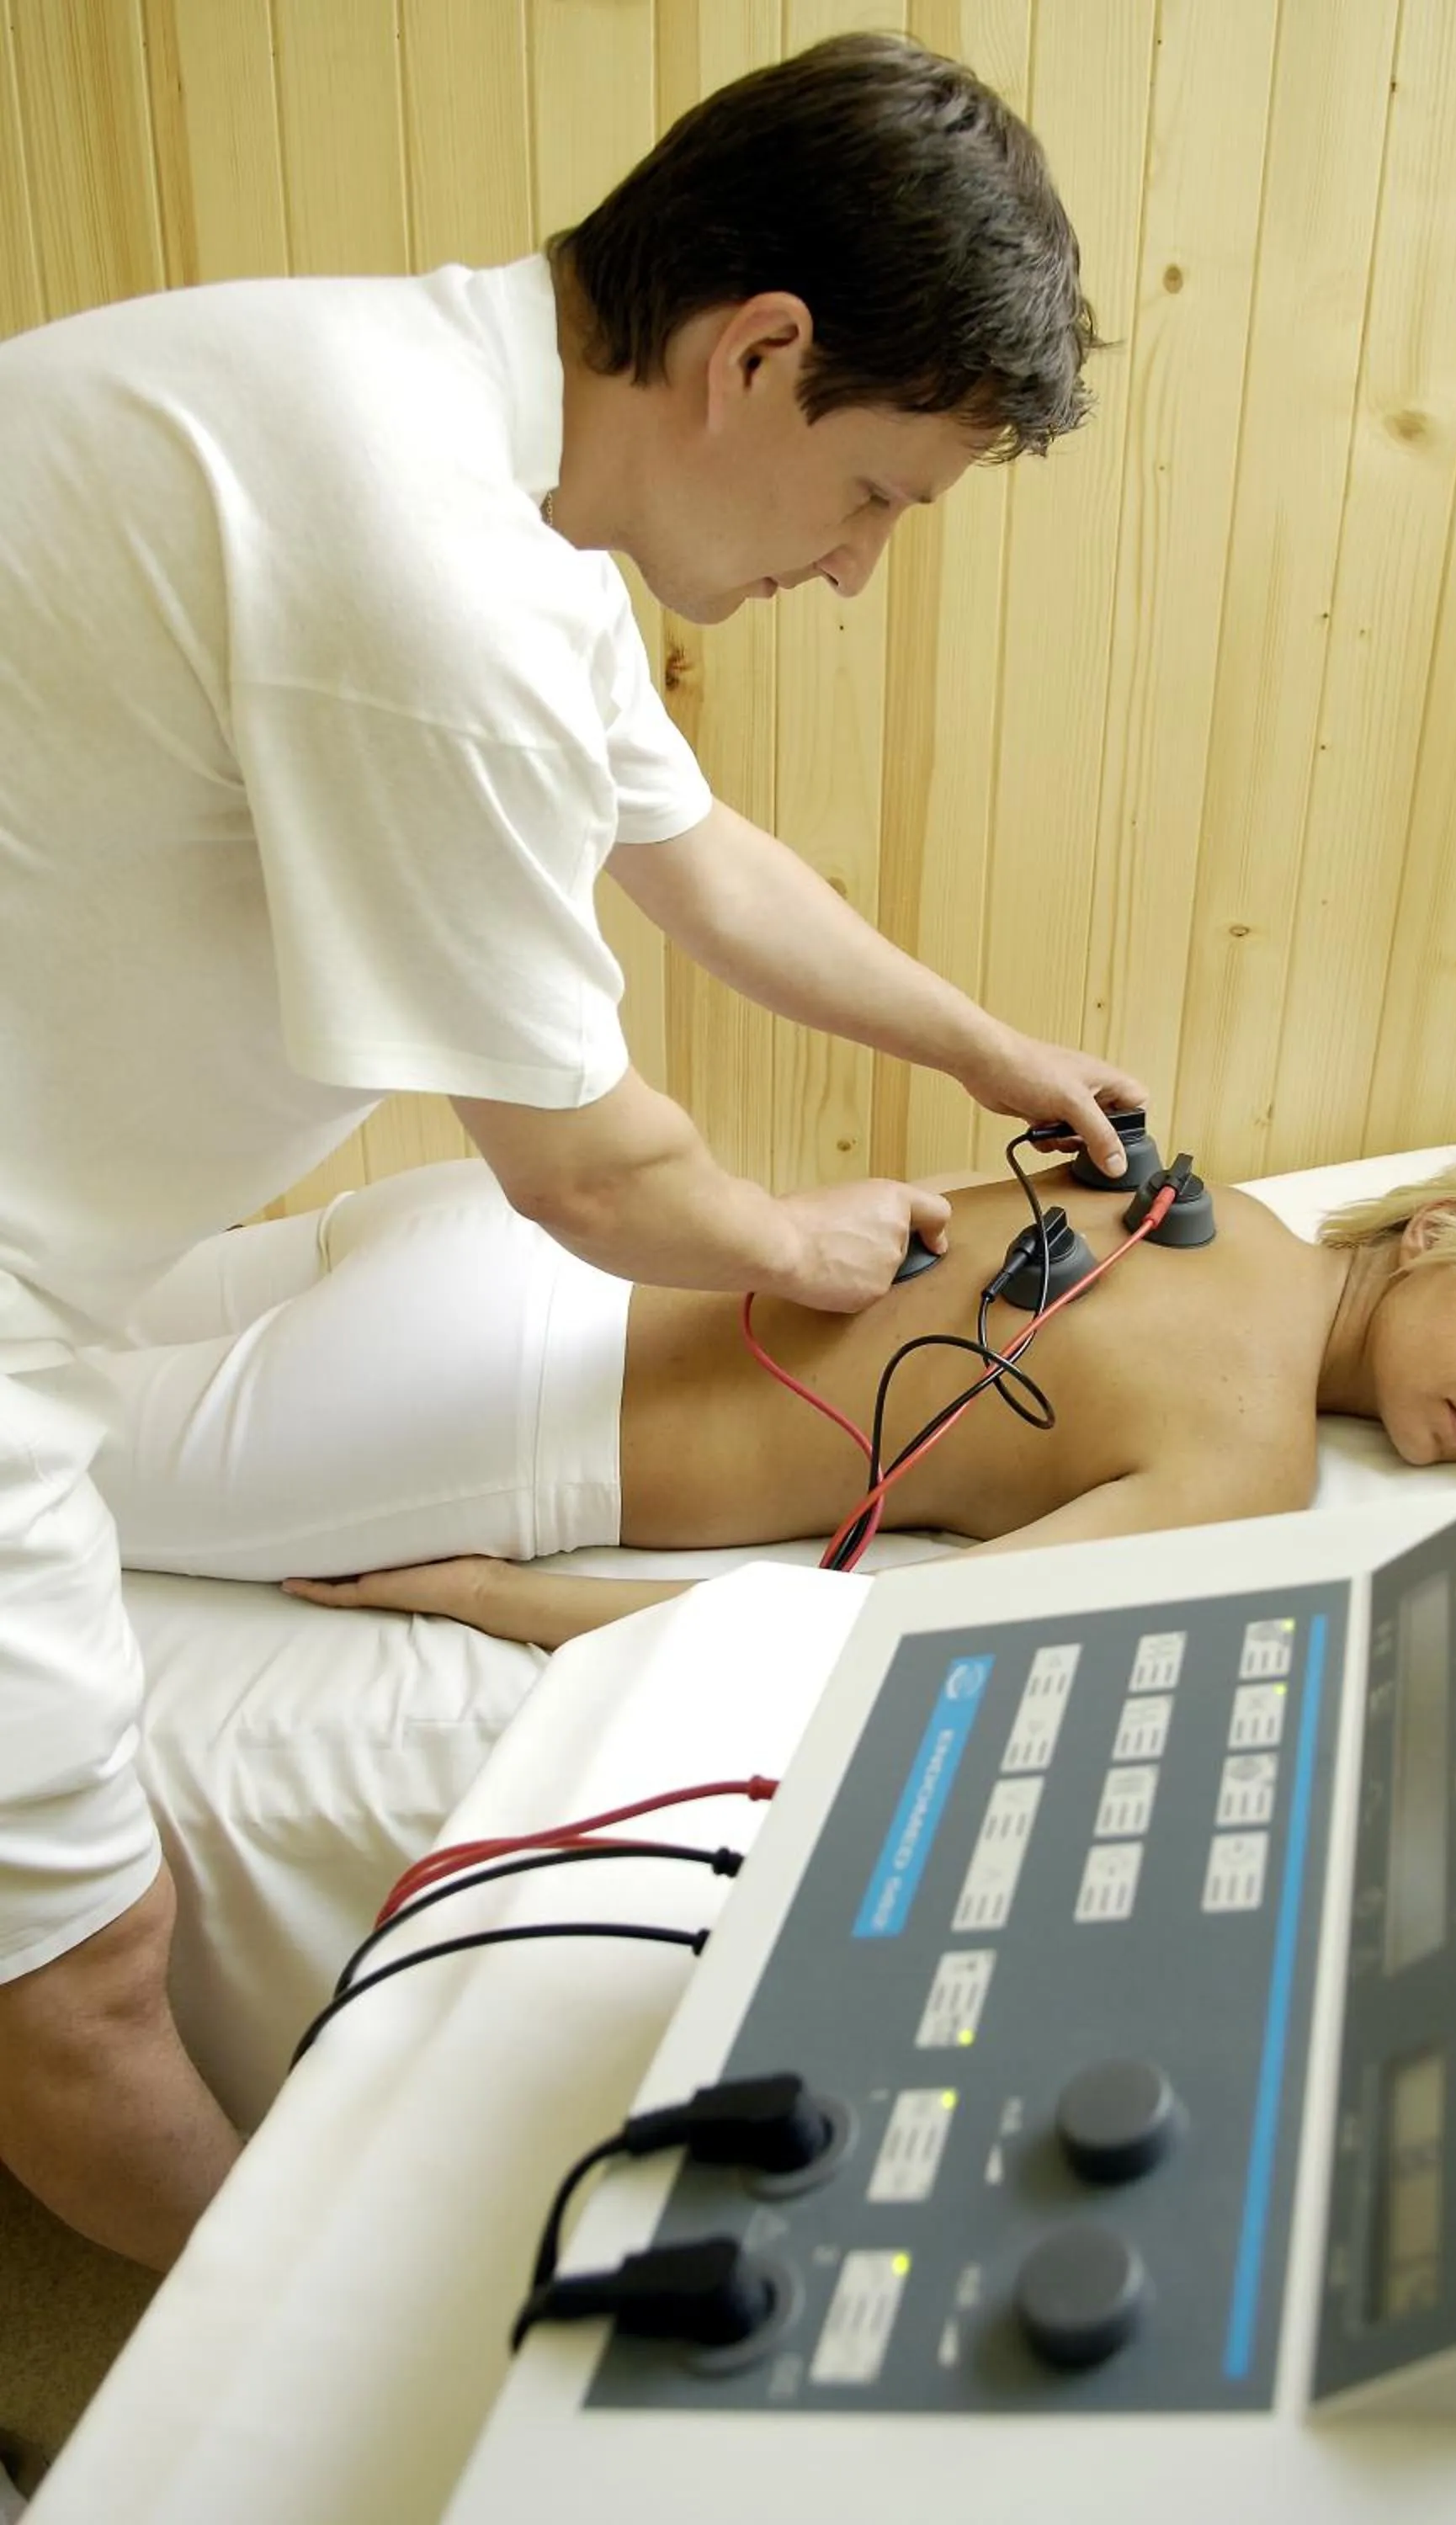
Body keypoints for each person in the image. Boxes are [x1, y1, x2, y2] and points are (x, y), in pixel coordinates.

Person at [0, 33, 1140, 2268]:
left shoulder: (409, 416)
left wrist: (994, 1052)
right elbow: (591, 1179)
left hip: (73, 1257)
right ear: (757, 353)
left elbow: (699, 860)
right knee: (82, 1978)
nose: (855, 572)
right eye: (876, 497)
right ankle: (298, 2417)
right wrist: (792, 1239)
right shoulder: (432, 585)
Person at [88, 1135, 1456, 1656]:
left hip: (489, 1229)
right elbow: (866, 1640)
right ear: (1434, 1229)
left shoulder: (1202, 1192)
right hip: (481, 1407)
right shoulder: (1247, 1469)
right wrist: (492, 1596)